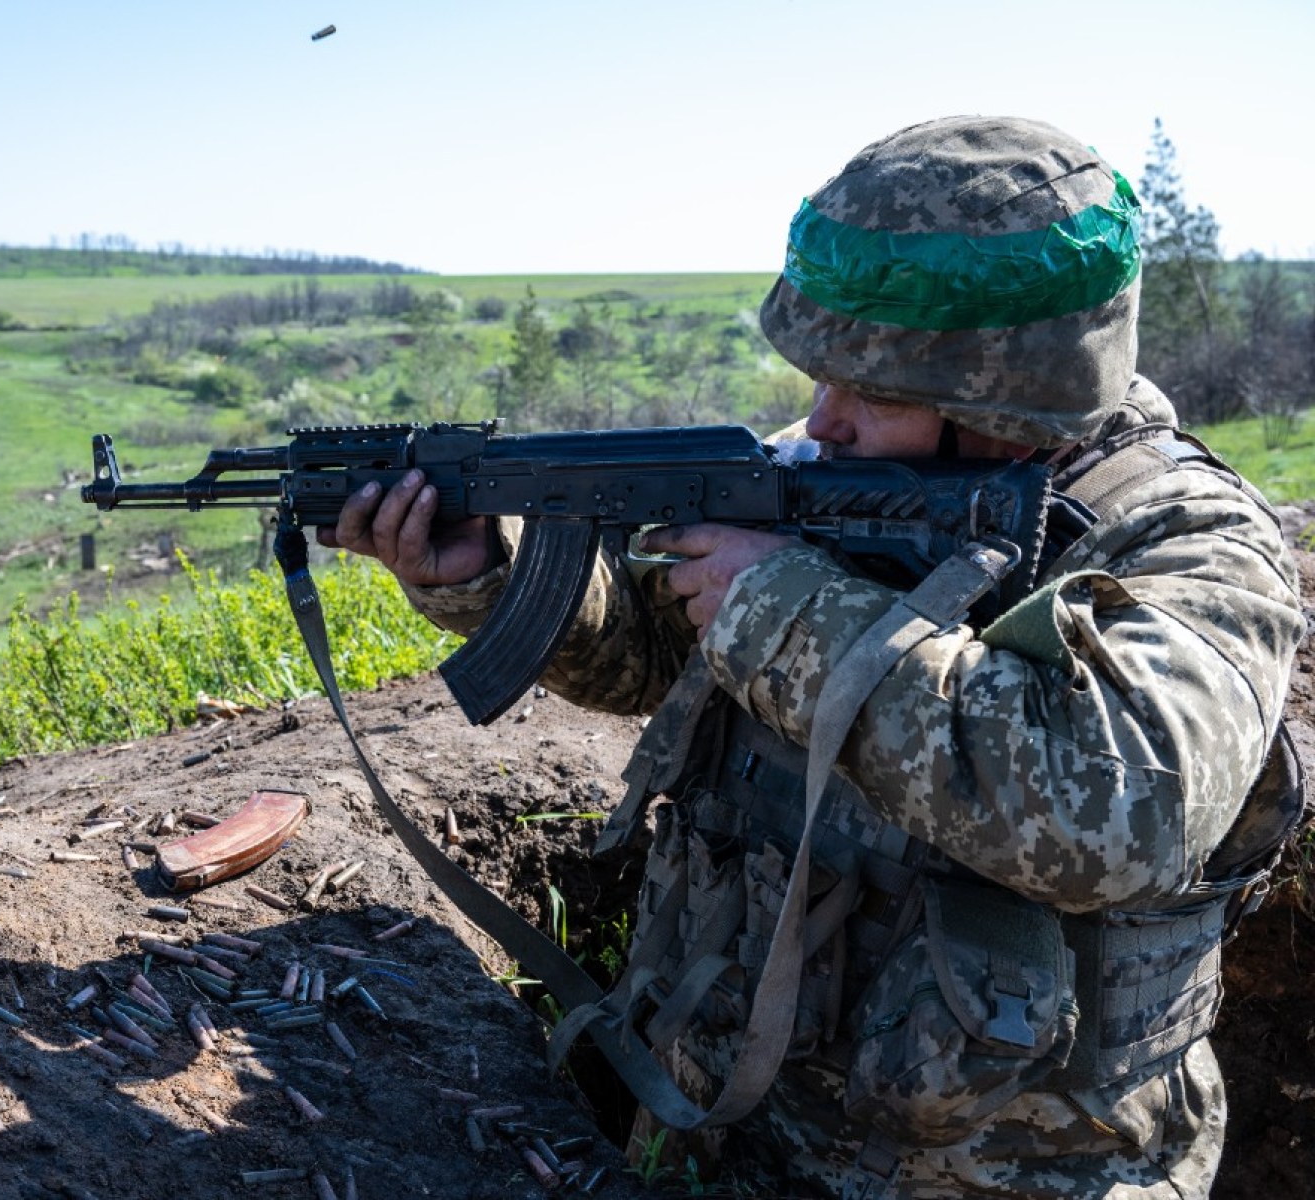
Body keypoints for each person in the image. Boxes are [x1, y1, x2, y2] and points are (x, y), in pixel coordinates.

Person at [319, 116, 1305, 1199]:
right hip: (719, 1125)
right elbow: (652, 659)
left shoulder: (1188, 545)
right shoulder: (835, 474)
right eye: (821, 378)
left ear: (1002, 397)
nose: (820, 421)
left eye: (871, 393)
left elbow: (1120, 816)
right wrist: (491, 570)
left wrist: (787, 615)